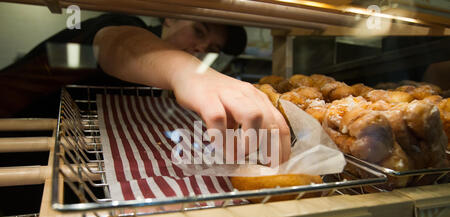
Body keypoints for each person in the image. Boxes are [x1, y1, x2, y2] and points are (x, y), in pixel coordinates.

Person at [0, 13, 291, 164]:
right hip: (16, 139)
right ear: (170, 16)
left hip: (71, 157)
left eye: (212, 48)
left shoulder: (167, 85)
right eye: (199, 31)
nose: (202, 48)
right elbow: (114, 43)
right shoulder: (124, 30)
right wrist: (190, 72)